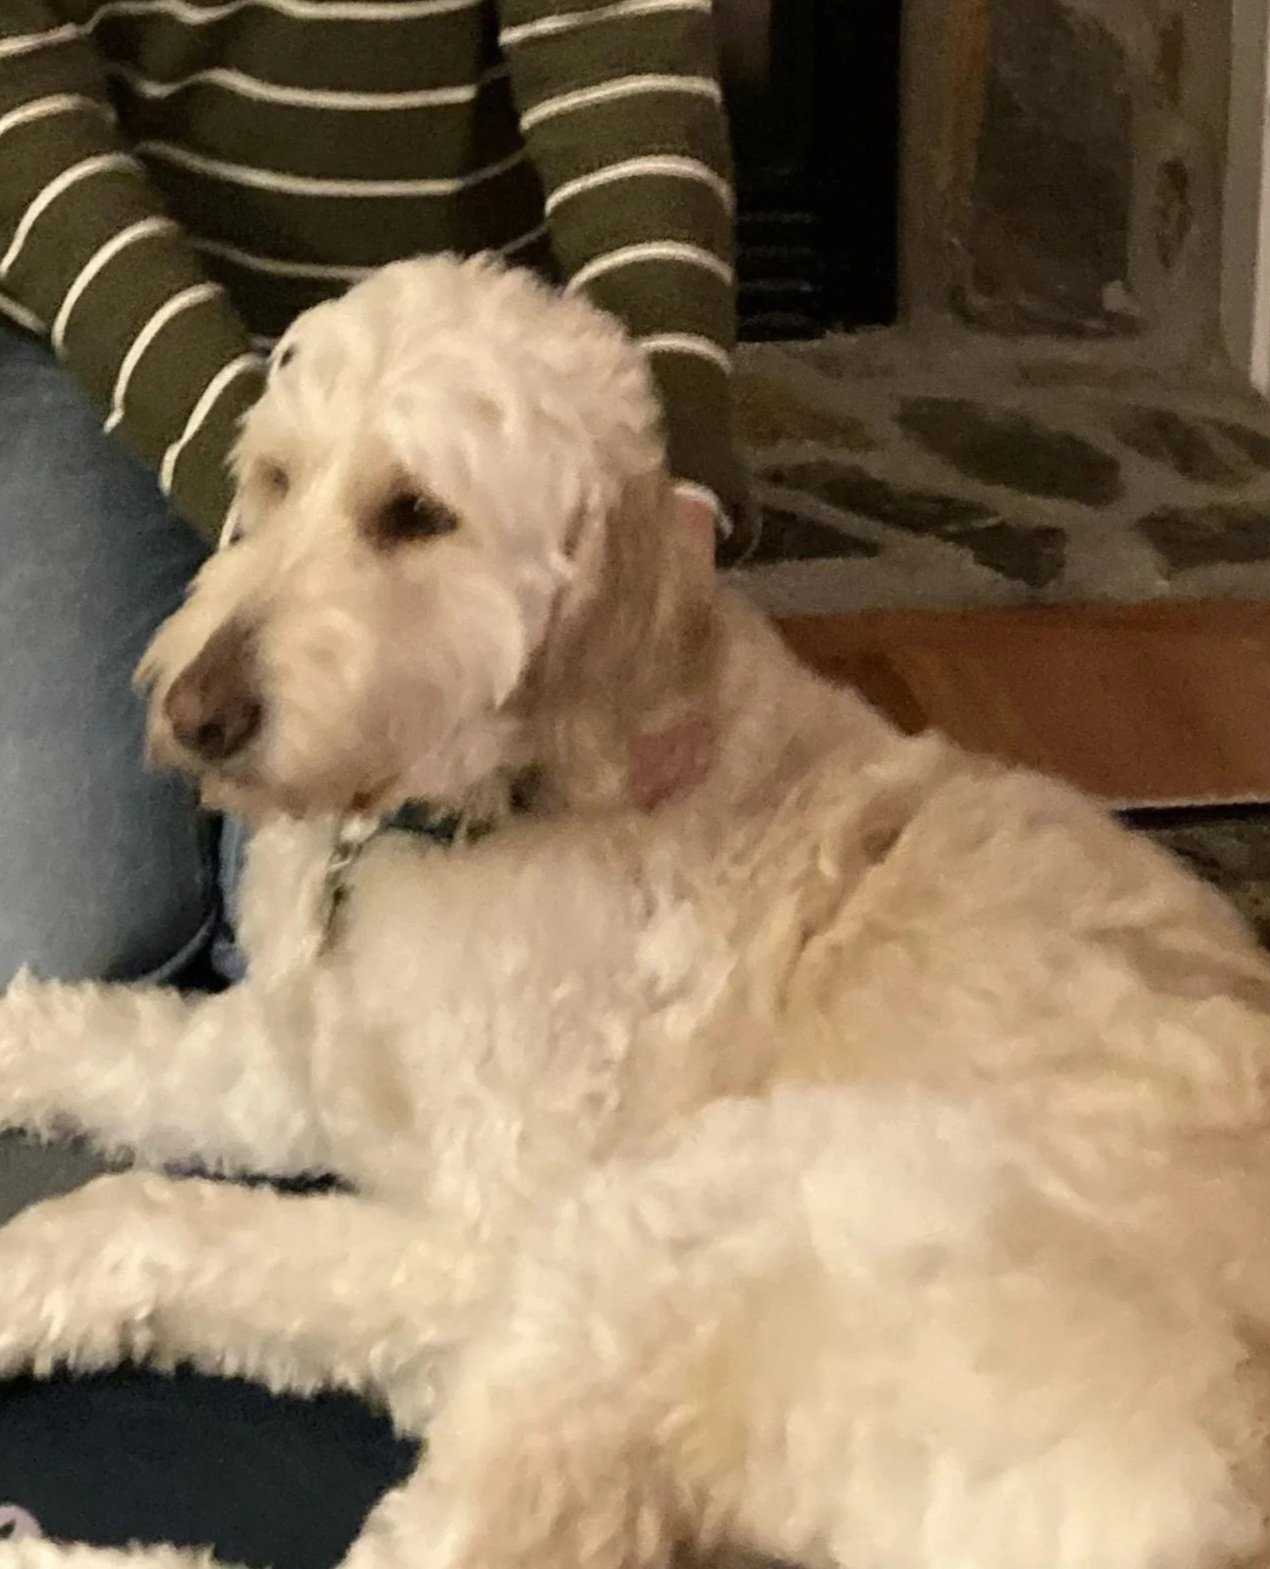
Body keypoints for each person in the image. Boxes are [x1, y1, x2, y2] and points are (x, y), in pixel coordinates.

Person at [0, 0, 749, 1547]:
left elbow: (619, 41)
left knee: (373, 927)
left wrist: (665, 496)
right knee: (65, 919)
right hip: (108, 312)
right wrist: (272, 489)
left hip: (468, 363)